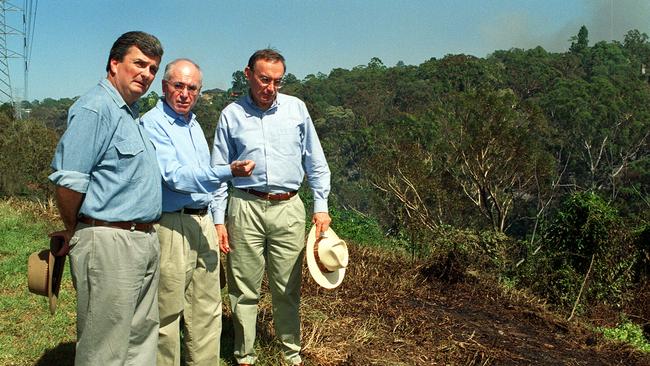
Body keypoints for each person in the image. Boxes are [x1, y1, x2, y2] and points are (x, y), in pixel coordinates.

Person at [48, 31, 164, 366]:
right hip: (109, 240)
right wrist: (74, 229)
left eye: (153, 68)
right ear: (114, 64)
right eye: (139, 63)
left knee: (141, 337)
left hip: (141, 239)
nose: (146, 73)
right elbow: (69, 180)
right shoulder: (96, 108)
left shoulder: (130, 113)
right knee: (105, 346)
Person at [211, 49, 332, 366]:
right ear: (248, 74)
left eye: (277, 81)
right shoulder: (231, 115)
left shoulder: (296, 110)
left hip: (288, 206)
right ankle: (245, 354)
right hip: (244, 207)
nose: (270, 87)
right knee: (242, 287)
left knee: (287, 287)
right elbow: (217, 172)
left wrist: (321, 206)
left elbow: (316, 163)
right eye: (264, 79)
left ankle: (291, 353)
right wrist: (218, 220)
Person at [141, 58, 255, 366]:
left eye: (192, 88)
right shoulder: (151, 124)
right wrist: (226, 171)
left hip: (202, 221)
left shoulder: (191, 124)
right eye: (178, 86)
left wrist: (217, 219)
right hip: (171, 225)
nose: (184, 94)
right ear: (165, 87)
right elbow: (174, 176)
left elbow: (206, 179)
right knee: (166, 311)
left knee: (206, 308)